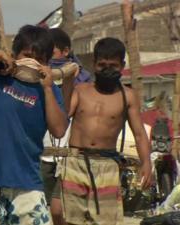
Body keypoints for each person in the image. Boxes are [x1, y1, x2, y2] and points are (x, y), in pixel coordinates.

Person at [0, 25, 70, 225]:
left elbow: (59, 130)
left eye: (40, 60)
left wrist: (48, 89)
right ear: (15, 55)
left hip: (28, 185)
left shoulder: (49, 91)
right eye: (27, 55)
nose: (32, 63)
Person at [59, 37, 152, 225]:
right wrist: (68, 82)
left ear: (122, 65)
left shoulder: (128, 96)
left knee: (106, 220)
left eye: (113, 65)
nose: (107, 69)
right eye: (102, 64)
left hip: (107, 165)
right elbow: (64, 114)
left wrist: (147, 163)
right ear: (94, 64)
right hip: (76, 161)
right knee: (71, 219)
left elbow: (140, 134)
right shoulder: (81, 90)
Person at [41, 27, 91, 225]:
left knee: (58, 209)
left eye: (52, 53)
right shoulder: (38, 78)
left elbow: (68, 112)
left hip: (69, 156)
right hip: (43, 153)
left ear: (66, 51)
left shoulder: (83, 82)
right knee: (48, 211)